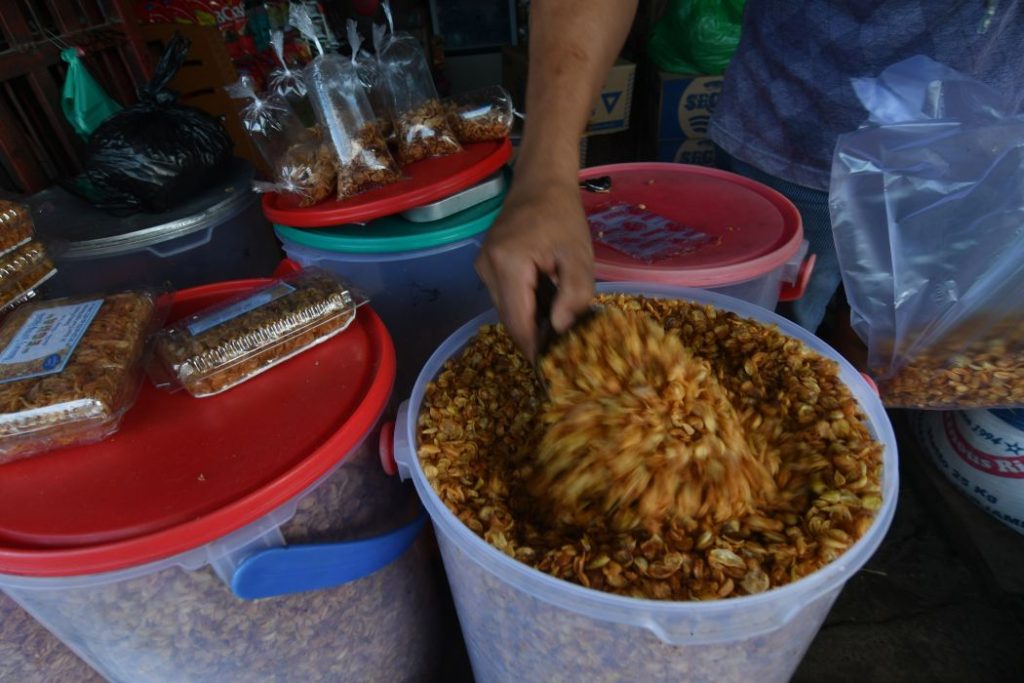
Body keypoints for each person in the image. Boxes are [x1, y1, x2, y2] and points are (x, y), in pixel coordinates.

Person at [476, 0, 1023, 357]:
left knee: (912, 346)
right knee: (776, 333)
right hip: (787, 128)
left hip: (980, 153)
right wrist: (545, 172)